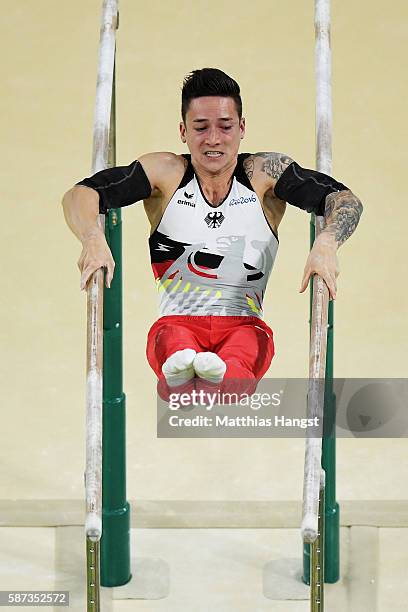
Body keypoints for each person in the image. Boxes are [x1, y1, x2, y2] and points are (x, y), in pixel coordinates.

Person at [62, 68, 363, 402]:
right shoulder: (166, 173)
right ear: (183, 131)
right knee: (170, 341)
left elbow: (343, 199)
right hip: (177, 320)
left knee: (247, 348)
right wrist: (91, 237)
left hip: (243, 323)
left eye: (225, 126)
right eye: (200, 128)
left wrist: (327, 242)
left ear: (242, 127)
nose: (214, 139)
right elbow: (82, 193)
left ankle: (218, 378)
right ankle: (183, 373)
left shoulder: (264, 175)